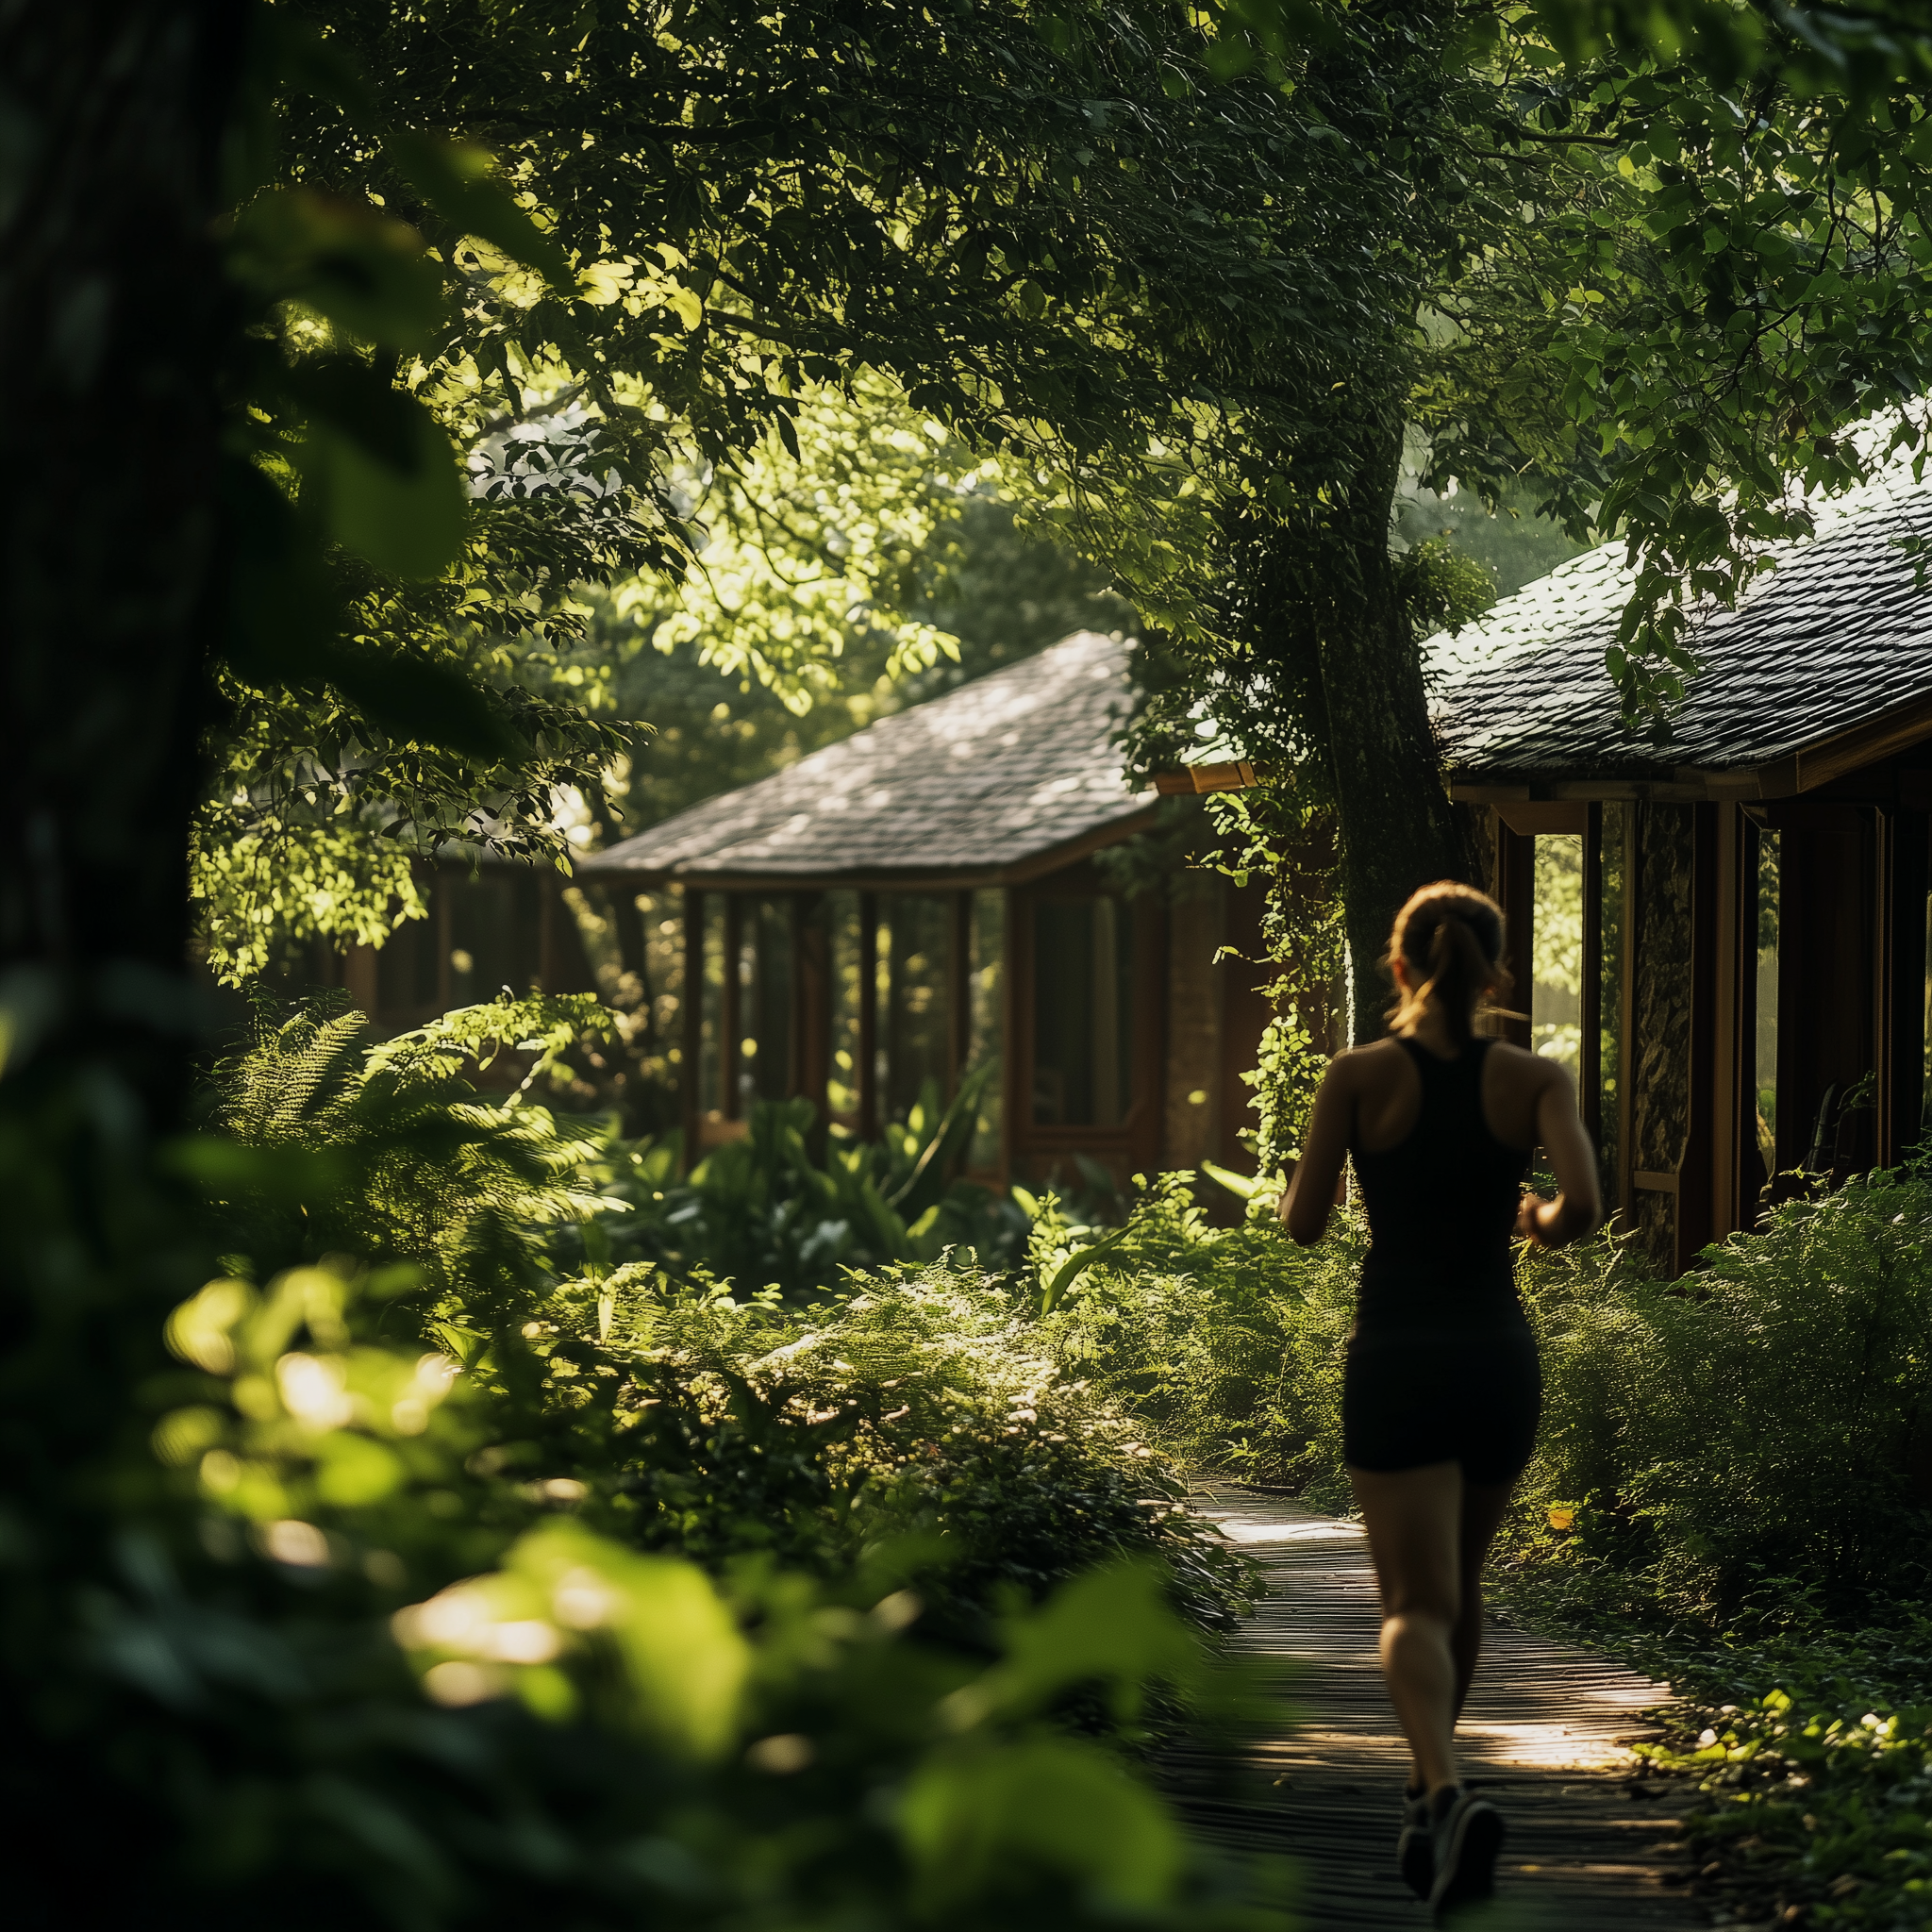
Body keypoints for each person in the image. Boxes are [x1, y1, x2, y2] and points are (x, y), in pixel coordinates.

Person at [1277, 881, 1600, 1920]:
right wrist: (1534, 1220)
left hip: (1396, 1355)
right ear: (1498, 973)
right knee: (1456, 1592)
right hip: (1494, 1358)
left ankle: (1445, 1787)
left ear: (1400, 966)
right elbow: (1580, 1207)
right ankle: (1427, 1801)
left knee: (1409, 1605)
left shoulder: (1357, 1074)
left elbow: (1302, 1222)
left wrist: (1323, 1175)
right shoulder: (1533, 1077)